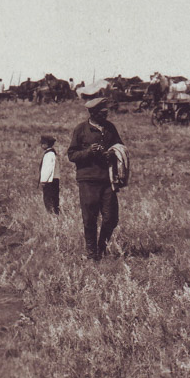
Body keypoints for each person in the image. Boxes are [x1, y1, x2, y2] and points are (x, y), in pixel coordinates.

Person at [66, 96, 123, 260]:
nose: (105, 115)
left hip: (108, 179)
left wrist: (111, 152)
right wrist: (89, 152)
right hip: (88, 180)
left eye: (106, 112)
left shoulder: (110, 128)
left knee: (111, 218)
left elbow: (120, 147)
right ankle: (92, 254)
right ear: (92, 113)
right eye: (101, 113)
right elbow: (71, 155)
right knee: (90, 218)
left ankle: (101, 248)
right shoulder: (81, 130)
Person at [38, 135, 60, 214]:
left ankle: (52, 214)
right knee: (54, 199)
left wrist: (43, 181)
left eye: (42, 143)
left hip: (50, 181)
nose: (41, 145)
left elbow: (48, 169)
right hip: (53, 180)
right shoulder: (52, 154)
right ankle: (54, 214)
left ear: (46, 144)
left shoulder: (49, 154)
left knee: (49, 199)